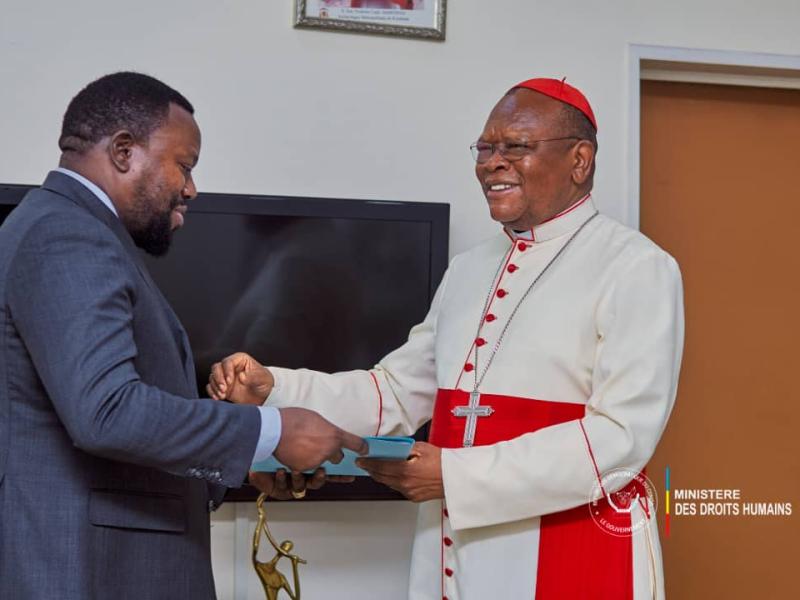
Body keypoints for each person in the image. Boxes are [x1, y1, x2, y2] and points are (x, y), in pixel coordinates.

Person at [209, 77, 684, 599]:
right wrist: (276, 390)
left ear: (579, 159)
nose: (492, 163)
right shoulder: (469, 268)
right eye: (485, 147)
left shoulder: (638, 268)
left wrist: (456, 477)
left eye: (516, 147)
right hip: (454, 545)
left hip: (575, 548)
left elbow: (620, 438)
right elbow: (393, 392)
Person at [0, 72, 366, 599]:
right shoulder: (67, 235)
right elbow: (107, 413)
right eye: (184, 166)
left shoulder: (63, 227)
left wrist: (245, 464)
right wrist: (270, 431)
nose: (191, 189)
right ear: (124, 151)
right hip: (87, 571)